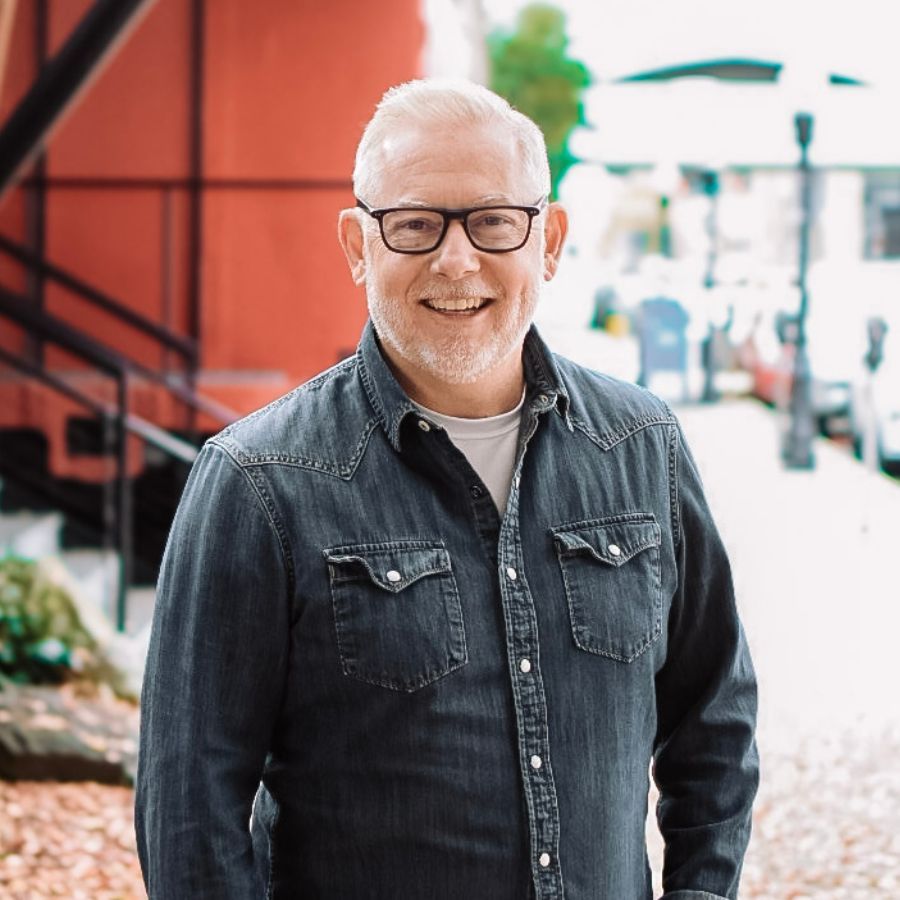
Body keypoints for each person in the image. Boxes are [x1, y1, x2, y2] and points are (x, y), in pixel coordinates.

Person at [135, 79, 758, 900]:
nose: (457, 260)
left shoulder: (643, 446)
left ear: (549, 240)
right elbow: (190, 810)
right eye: (415, 224)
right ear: (359, 245)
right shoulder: (258, 484)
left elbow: (714, 722)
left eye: (494, 222)